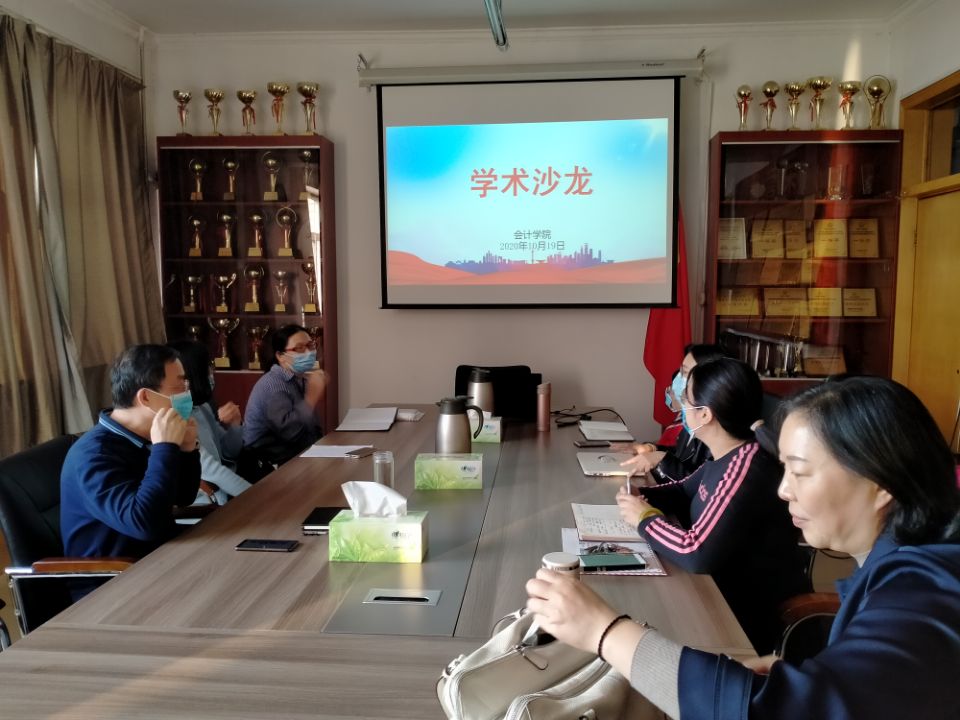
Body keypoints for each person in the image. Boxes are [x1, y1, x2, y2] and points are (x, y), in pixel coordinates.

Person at [526, 376, 960, 719]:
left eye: (800, 472)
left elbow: (782, 712)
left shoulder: (924, 595)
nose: (783, 491)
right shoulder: (902, 567)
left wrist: (604, 631)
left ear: (879, 482)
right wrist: (798, 675)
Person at [617, 357, 809, 652]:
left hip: (746, 618)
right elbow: (684, 491)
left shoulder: (746, 467)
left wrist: (645, 519)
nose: (680, 404)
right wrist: (643, 496)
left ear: (705, 414)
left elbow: (696, 552)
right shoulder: (726, 453)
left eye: (685, 398)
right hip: (714, 591)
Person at [61, 344, 201, 564]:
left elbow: (183, 497)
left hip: (162, 556)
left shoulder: (141, 437)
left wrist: (186, 449)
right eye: (180, 386)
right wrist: (164, 448)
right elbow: (144, 524)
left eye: (187, 385)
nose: (187, 394)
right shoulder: (93, 455)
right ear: (146, 397)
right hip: (119, 575)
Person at [621, 343, 727, 483]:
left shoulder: (715, 431)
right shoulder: (690, 418)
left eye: (685, 373)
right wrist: (649, 448)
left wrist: (660, 459)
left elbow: (698, 486)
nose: (678, 378)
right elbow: (679, 453)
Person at [168, 340, 252, 504]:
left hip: (226, 492)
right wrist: (259, 494)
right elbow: (213, 471)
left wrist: (235, 425)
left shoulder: (202, 407)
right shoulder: (176, 417)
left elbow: (229, 452)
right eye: (208, 365)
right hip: (206, 503)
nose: (212, 371)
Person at [242, 325, 328, 466]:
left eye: (310, 345)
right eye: (299, 348)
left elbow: (311, 427)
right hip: (267, 463)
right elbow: (290, 432)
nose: (308, 352)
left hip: (295, 454)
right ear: (280, 356)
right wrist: (311, 397)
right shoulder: (274, 384)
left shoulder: (299, 379)